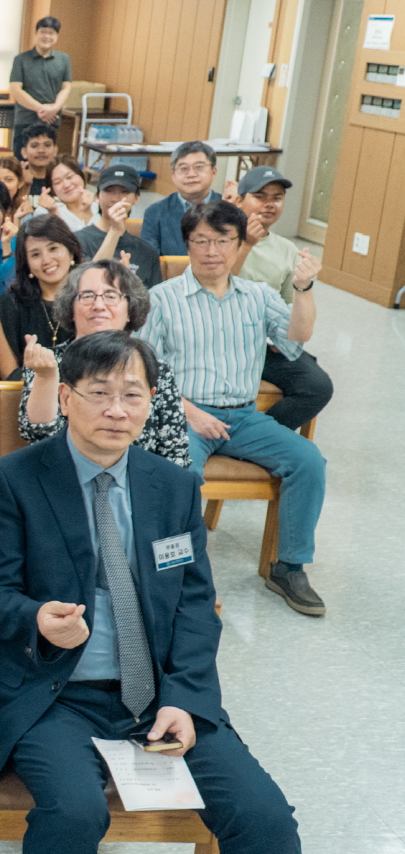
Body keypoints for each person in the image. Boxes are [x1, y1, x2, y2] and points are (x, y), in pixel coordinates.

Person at [0, 328, 301, 854]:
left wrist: (185, 700)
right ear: (67, 398)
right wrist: (37, 618)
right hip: (51, 695)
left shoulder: (174, 485)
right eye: (99, 393)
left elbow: (194, 606)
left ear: (150, 402)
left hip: (158, 696)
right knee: (74, 814)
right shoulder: (12, 481)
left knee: (266, 819)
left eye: (132, 394)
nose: (117, 410)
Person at [138, 201, 328, 616]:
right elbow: (146, 372)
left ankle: (289, 566)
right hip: (186, 412)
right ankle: (179, 571)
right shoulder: (163, 299)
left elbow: (298, 337)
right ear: (187, 244)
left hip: (243, 416)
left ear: (239, 245)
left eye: (223, 241)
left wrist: (303, 288)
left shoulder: (256, 296)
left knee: (308, 460)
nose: (212, 251)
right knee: (178, 469)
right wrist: (190, 411)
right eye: (201, 241)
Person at [19, 259, 191, 467]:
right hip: (65, 480)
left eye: (111, 296)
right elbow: (39, 436)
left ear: (130, 310)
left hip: (140, 485)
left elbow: (176, 453)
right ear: (70, 308)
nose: (98, 306)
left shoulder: (156, 368)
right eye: (87, 296)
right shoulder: (47, 363)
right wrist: (46, 376)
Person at [233, 166, 333, 431]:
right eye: (260, 196)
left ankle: (256, 437)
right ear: (240, 200)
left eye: (276, 198)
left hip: (265, 344)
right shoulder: (220, 236)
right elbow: (216, 284)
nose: (269, 204)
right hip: (224, 339)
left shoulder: (287, 249)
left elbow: (295, 314)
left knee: (317, 387)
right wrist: (246, 244)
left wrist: (305, 286)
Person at [0, 215, 81, 379]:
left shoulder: (91, 300)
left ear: (71, 252)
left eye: (53, 248)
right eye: (35, 254)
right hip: (29, 396)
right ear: (26, 263)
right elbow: (9, 376)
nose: (47, 260)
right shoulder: (10, 304)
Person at [75, 166, 162, 288]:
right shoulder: (77, 242)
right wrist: (114, 231)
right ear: (98, 196)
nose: (116, 199)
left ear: (136, 198)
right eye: (109, 191)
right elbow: (88, 285)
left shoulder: (147, 252)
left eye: (124, 192)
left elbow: (153, 299)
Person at [141, 142, 229, 256]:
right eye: (183, 169)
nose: (191, 174)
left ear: (213, 171)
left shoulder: (229, 208)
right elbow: (149, 260)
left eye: (199, 167)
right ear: (173, 175)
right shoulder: (155, 212)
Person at [8, 15, 72, 152]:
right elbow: (15, 90)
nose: (46, 36)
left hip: (51, 120)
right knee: (22, 161)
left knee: (47, 162)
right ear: (36, 34)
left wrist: (54, 108)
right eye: (43, 32)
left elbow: (66, 87)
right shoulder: (21, 59)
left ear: (56, 36)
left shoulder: (64, 59)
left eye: (51, 33)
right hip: (26, 119)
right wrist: (41, 109)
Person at [38, 155, 98, 231]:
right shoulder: (44, 211)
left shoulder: (100, 208)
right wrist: (53, 213)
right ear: (52, 188)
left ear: (81, 175)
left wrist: (88, 212)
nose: (66, 185)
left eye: (70, 177)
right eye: (58, 182)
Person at [20, 122, 58, 198]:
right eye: (34, 146)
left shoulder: (61, 181)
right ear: (24, 152)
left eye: (47, 145)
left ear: (55, 150)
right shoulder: (17, 180)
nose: (41, 150)